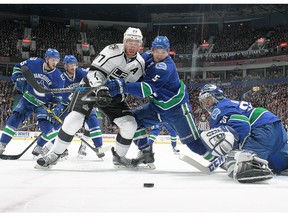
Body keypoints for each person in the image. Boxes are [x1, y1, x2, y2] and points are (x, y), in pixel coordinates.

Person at [36, 27, 145, 168]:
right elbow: (94, 72)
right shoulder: (111, 50)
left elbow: (132, 85)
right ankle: (55, 154)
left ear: (140, 44)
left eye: (136, 43)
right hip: (90, 88)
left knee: (130, 124)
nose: (132, 46)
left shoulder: (141, 63)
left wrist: (119, 92)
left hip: (112, 95)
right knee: (73, 120)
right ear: (124, 41)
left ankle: (119, 158)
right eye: (129, 42)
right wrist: (100, 88)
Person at [105, 36, 215, 167]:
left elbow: (146, 89)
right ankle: (146, 153)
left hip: (177, 110)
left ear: (168, 52)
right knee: (134, 122)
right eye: (157, 51)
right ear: (152, 50)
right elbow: (132, 66)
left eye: (163, 52)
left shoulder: (165, 67)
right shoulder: (146, 57)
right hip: (157, 108)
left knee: (193, 143)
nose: (160, 55)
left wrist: (121, 86)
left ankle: (218, 159)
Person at [198, 83, 288, 183]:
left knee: (245, 165)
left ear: (216, 96)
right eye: (203, 102)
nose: (206, 104)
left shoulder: (219, 108)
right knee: (281, 163)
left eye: (207, 99)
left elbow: (242, 124)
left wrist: (232, 154)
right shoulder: (229, 104)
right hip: (275, 125)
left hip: (261, 128)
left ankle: (249, 162)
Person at [31, 55, 104, 159]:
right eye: (70, 65)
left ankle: (98, 147)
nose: (73, 67)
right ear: (65, 66)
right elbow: (56, 92)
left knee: (93, 121)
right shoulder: (60, 78)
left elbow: (93, 75)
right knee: (55, 126)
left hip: (83, 103)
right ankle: (40, 146)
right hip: (66, 105)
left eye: (74, 65)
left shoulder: (81, 73)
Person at [0, 48, 65, 155]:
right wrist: (17, 77)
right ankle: (2, 144)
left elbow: (58, 96)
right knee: (15, 118)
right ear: (46, 59)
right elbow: (18, 67)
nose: (55, 63)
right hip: (28, 98)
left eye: (57, 60)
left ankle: (60, 149)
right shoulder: (34, 62)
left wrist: (56, 106)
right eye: (52, 59)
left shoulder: (59, 76)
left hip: (43, 104)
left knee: (45, 124)